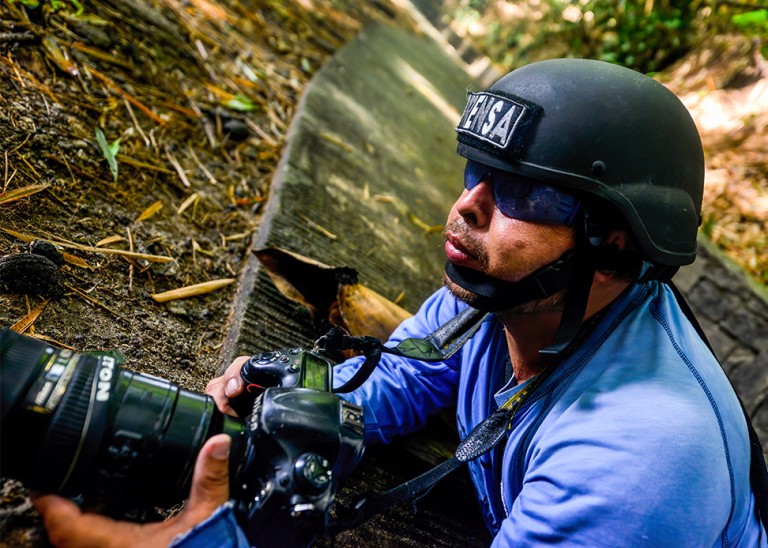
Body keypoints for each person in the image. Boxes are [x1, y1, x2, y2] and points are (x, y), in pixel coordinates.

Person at [35, 58, 767, 546]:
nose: (468, 207)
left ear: (615, 245)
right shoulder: (512, 300)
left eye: (524, 193)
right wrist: (284, 400)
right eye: (477, 170)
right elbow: (400, 381)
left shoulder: (641, 456)